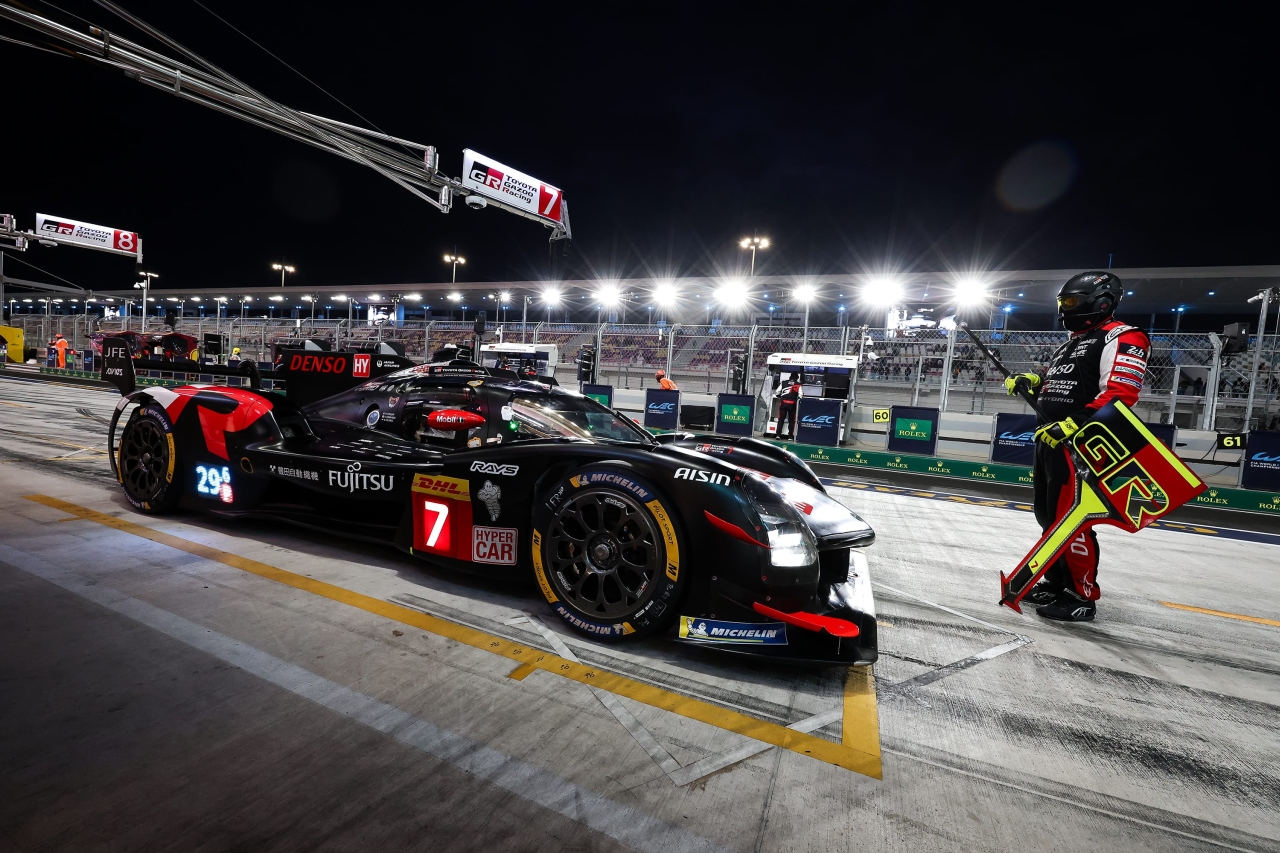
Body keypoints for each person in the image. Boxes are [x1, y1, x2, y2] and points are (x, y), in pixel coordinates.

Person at [1004, 271, 1150, 623]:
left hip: (1080, 445)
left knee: (1073, 521)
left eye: (1071, 302)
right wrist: (1033, 381)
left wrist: (1076, 423)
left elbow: (1121, 393)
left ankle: (1081, 596)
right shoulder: (1071, 342)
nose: (1065, 308)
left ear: (1101, 302)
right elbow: (1062, 382)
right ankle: (1056, 584)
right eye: (1063, 302)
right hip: (1050, 439)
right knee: (1048, 517)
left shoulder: (1123, 336)